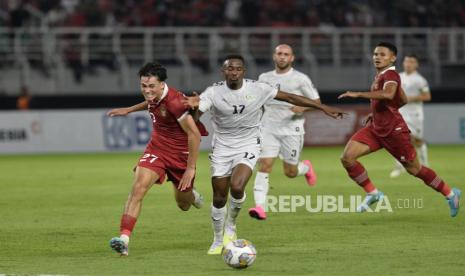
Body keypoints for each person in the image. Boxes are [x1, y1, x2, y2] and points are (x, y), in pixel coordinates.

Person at [182, 54, 346, 255]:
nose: (233, 72)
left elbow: (291, 97)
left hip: (249, 144)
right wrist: (193, 108)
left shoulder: (257, 88)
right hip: (222, 147)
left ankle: (231, 226)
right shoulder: (214, 91)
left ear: (244, 71)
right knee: (219, 197)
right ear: (223, 71)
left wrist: (322, 107)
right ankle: (217, 239)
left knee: (237, 185)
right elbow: (198, 113)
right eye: (229, 69)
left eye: (237, 69)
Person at [338, 42, 460, 216]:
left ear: (392, 58)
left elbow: (388, 94)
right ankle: (373, 193)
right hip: (376, 128)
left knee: (414, 169)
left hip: (393, 131)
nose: (377, 57)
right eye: (375, 54)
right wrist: (377, 113)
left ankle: (450, 194)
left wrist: (358, 94)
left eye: (382, 54)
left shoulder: (392, 75)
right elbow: (402, 100)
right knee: (347, 158)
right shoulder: (381, 75)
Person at [107, 62, 205, 256]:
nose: (147, 90)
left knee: (183, 204)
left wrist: (191, 168)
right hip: (157, 149)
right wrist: (129, 109)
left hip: (180, 156)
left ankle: (192, 195)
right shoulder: (154, 94)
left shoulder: (176, 103)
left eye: (151, 86)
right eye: (143, 86)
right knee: (137, 189)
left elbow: (194, 135)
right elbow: (151, 102)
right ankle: (124, 240)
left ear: (162, 85)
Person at [248, 44, 320, 221]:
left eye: (286, 54)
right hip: (268, 128)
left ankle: (305, 168)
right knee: (264, 165)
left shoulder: (300, 79)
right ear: (274, 56)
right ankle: (260, 207)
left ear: (292, 58)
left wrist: (302, 107)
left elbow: (317, 102)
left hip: (292, 130)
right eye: (279, 54)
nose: (282, 57)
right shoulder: (264, 77)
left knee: (290, 172)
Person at [389, 54, 431, 178]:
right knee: (398, 139)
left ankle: (425, 165)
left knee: (417, 140)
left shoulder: (420, 80)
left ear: (416, 64)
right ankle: (399, 166)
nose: (408, 64)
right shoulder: (398, 77)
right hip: (400, 112)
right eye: (407, 61)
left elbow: (427, 96)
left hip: (415, 114)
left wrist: (410, 98)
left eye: (412, 62)